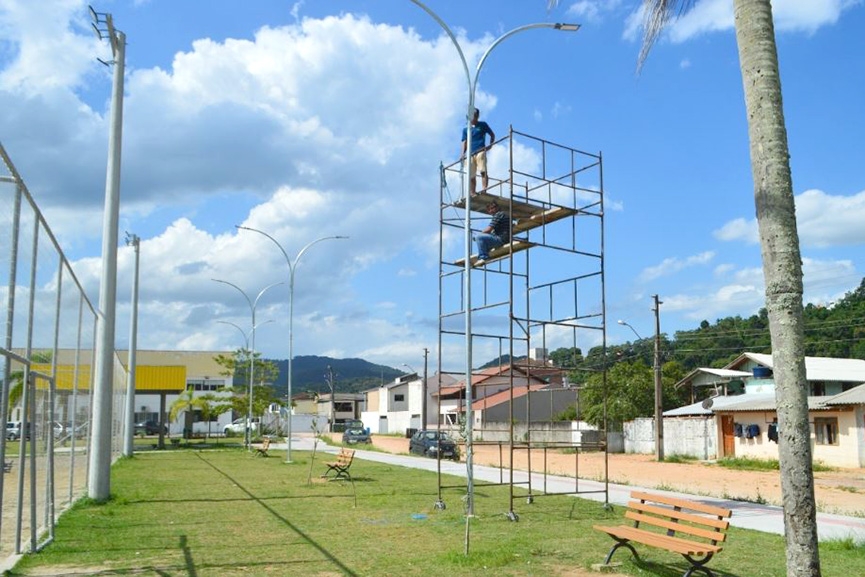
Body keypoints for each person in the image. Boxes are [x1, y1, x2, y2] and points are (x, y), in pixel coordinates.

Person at [460, 108, 495, 194]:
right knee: (471, 175)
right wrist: (462, 154)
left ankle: (484, 189)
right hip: (470, 153)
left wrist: (490, 145)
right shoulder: (466, 129)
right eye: (472, 116)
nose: (474, 118)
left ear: (477, 116)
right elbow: (464, 142)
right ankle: (473, 192)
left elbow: (492, 135)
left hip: (480, 150)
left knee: (483, 171)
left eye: (475, 116)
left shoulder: (483, 125)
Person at [474, 200, 510, 265]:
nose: (491, 211)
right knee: (483, 243)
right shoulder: (503, 214)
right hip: (504, 238)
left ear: (497, 208)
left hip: (500, 239)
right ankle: (483, 254)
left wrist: (480, 234)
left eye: (492, 208)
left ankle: (483, 257)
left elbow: (488, 229)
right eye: (489, 209)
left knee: (479, 237)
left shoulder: (499, 214)